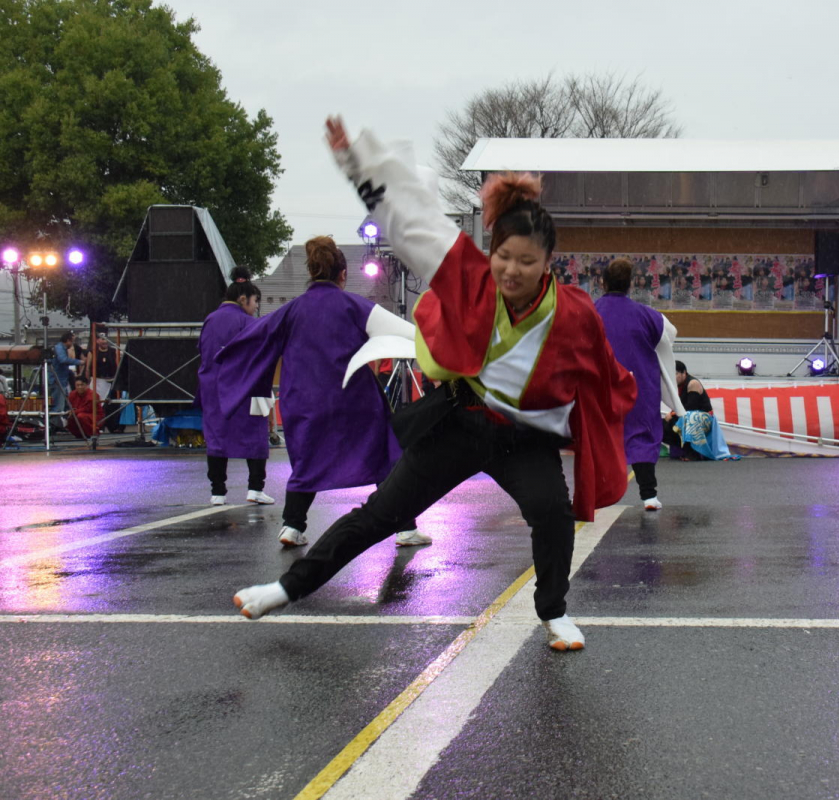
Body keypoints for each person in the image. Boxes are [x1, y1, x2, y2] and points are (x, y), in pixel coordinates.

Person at [233, 116, 636, 652]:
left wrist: (595, 424)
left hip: (524, 440)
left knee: (552, 517)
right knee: (380, 514)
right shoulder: (469, 277)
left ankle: (553, 611)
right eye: (503, 258)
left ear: (548, 263)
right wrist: (357, 164)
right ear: (491, 251)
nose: (510, 271)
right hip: (461, 422)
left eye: (526, 262)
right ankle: (284, 589)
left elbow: (610, 380)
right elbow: (410, 223)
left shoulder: (575, 314)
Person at [216, 236, 428, 548]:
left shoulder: (291, 310)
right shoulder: (355, 305)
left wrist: (222, 368)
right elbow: (407, 334)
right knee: (385, 455)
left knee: (307, 463)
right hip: (354, 399)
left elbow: (253, 339)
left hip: (303, 401)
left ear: (313, 273)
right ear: (343, 274)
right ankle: (405, 529)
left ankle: (292, 526)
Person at [595, 258, 684, 511]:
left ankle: (597, 493)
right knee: (641, 438)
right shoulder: (647, 314)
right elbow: (672, 333)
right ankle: (649, 496)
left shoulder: (591, 311)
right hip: (638, 387)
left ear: (602, 282)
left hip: (602, 388)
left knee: (601, 438)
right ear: (630, 285)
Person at [198, 267, 274, 506]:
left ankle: (218, 492)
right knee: (255, 436)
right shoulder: (248, 321)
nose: (255, 306)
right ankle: (255, 489)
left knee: (217, 439)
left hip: (213, 388)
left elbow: (203, 351)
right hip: (245, 388)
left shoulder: (210, 319)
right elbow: (260, 355)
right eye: (254, 302)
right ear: (243, 299)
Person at [50, 332, 82, 421]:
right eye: (72, 341)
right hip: (58, 380)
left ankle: (61, 422)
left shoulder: (60, 348)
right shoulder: (59, 348)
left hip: (61, 379)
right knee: (58, 405)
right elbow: (63, 360)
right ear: (68, 340)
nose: (72, 344)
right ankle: (55, 423)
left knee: (65, 403)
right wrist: (79, 362)